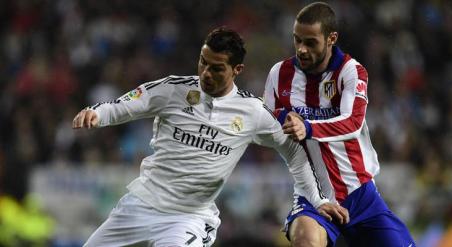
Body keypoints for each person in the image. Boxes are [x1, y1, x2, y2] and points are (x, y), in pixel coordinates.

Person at [72, 27, 348, 247]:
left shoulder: (252, 112)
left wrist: (318, 198)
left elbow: (295, 153)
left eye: (216, 68)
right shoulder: (172, 90)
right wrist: (97, 114)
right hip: (140, 204)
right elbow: (124, 105)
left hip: (187, 218)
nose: (205, 72)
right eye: (203, 62)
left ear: (236, 70)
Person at [263, 2, 416, 247]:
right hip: (313, 197)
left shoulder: (350, 71)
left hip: (361, 195)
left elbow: (352, 122)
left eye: (310, 42)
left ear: (331, 38)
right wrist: (283, 120)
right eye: (297, 40)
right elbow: (266, 120)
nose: (301, 49)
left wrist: (308, 127)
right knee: (305, 240)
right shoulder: (279, 74)